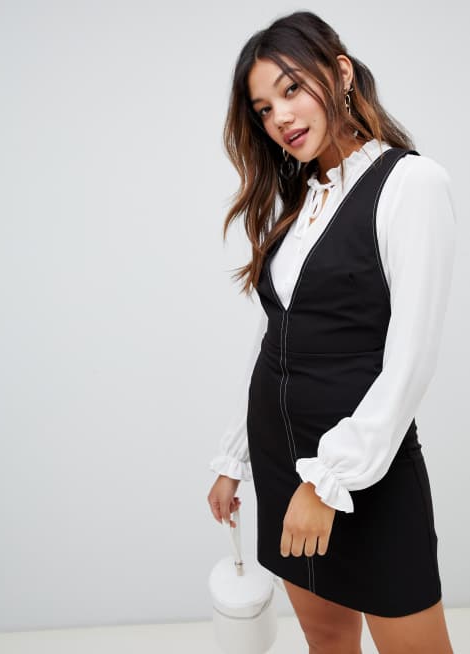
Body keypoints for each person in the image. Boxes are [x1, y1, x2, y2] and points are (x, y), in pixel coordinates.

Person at [206, 10, 456, 654]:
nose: (280, 118)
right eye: (264, 109)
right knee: (326, 640)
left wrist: (326, 482)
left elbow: (411, 360)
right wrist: (234, 459)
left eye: (291, 89)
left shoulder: (411, 185)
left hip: (361, 472)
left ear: (341, 73)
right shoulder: (301, 200)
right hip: (280, 460)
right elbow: (276, 342)